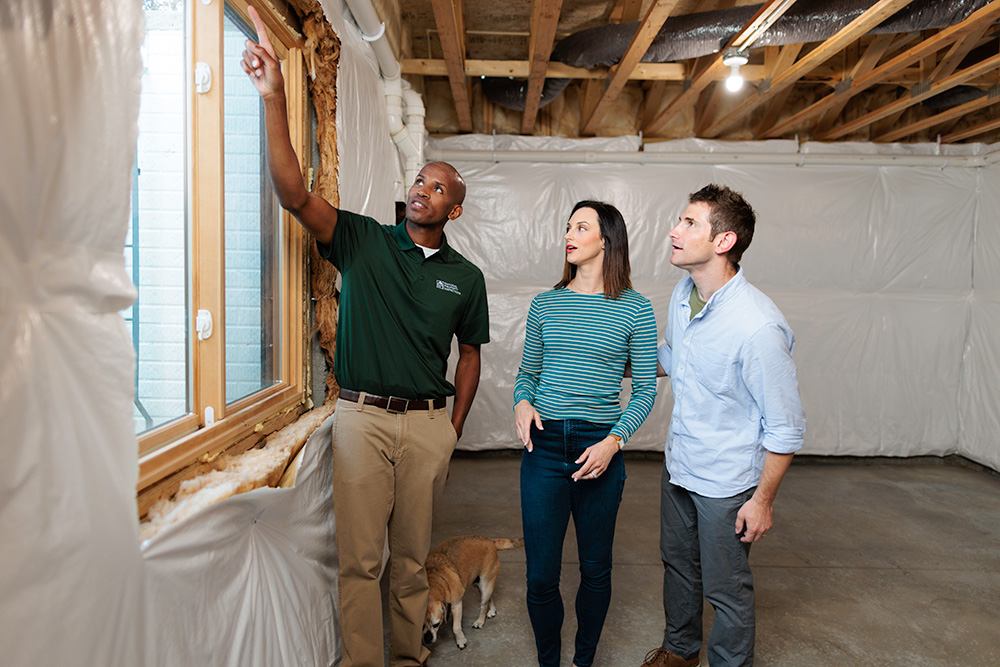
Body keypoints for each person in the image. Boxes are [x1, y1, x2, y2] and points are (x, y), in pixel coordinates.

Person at [241, 8, 490, 666]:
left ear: (453, 209)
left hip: (427, 425)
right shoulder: (365, 241)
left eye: (437, 186)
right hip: (361, 419)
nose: (421, 188)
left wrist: (453, 426)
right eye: (418, 178)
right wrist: (276, 97)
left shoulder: (466, 278)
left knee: (410, 562)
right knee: (361, 563)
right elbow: (294, 192)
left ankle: (408, 659)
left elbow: (471, 353)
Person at [641, 185, 806, 667]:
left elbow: (786, 427)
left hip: (728, 483)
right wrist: (614, 356)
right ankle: (679, 651)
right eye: (679, 219)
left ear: (724, 241)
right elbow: (675, 358)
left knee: (726, 589)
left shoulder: (757, 327)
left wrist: (762, 501)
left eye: (690, 223)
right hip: (682, 467)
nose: (675, 230)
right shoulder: (684, 292)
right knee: (678, 568)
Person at [513, 201, 658, 667]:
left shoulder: (636, 309)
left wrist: (615, 442)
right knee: (540, 578)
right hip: (545, 448)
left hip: (600, 448)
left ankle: (583, 662)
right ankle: (550, 662)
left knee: (595, 570)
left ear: (606, 240)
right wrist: (521, 401)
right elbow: (527, 373)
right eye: (568, 226)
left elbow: (644, 391)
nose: (569, 235)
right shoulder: (546, 303)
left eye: (581, 226)